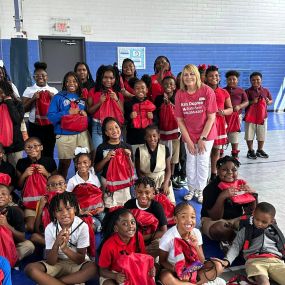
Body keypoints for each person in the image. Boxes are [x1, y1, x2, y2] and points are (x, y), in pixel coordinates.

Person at [24, 192, 97, 285]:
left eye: (68, 208)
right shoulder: (50, 228)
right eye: (59, 210)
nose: (64, 213)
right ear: (54, 213)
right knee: (30, 269)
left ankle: (53, 282)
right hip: (57, 263)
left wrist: (65, 248)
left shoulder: (82, 226)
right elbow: (50, 262)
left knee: (93, 268)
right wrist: (56, 244)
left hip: (76, 265)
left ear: (75, 209)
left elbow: (80, 260)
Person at [174, 64, 217, 203]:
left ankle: (201, 191)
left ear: (197, 75)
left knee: (202, 162)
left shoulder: (207, 91)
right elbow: (180, 120)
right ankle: (191, 189)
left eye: (191, 74)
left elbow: (211, 117)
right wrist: (189, 141)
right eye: (185, 75)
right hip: (189, 134)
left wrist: (202, 138)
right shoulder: (180, 94)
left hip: (206, 134)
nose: (188, 77)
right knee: (191, 162)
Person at [159, 202, 225, 285]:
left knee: (218, 266)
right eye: (183, 217)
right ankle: (202, 282)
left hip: (193, 268)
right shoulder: (167, 238)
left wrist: (196, 246)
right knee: (166, 278)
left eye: (193, 217)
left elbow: (201, 261)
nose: (189, 221)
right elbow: (162, 261)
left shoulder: (196, 233)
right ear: (175, 219)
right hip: (174, 269)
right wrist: (177, 270)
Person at [221, 202, 285, 285]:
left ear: (271, 221)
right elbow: (236, 246)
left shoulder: (275, 232)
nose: (259, 223)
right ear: (253, 214)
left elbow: (282, 245)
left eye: (264, 222)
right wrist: (227, 260)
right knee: (263, 282)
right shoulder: (245, 231)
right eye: (257, 219)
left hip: (276, 261)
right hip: (255, 261)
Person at [47, 71, 92, 179]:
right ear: (65, 83)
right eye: (68, 81)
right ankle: (60, 191)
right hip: (64, 135)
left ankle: (81, 188)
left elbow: (88, 118)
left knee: (82, 163)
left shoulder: (82, 97)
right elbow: (51, 117)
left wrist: (86, 115)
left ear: (78, 82)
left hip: (82, 134)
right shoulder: (58, 97)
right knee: (64, 164)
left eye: (74, 81)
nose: (71, 83)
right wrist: (67, 113)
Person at [201, 156, 255, 242]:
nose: (230, 172)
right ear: (218, 170)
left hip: (235, 219)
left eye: (234, 170)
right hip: (213, 220)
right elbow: (215, 217)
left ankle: (235, 239)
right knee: (219, 229)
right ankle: (236, 242)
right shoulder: (210, 189)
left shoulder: (240, 185)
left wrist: (253, 196)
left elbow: (250, 212)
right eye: (224, 169)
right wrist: (222, 197)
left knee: (261, 222)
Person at [98, 207, 155, 285]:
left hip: (133, 270)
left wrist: (151, 268)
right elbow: (102, 271)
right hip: (114, 273)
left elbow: (144, 259)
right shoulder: (109, 245)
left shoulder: (138, 236)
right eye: (125, 224)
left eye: (132, 222)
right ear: (116, 228)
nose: (131, 226)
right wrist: (115, 276)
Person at [16, 137, 57, 231]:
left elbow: (56, 183)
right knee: (30, 227)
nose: (32, 149)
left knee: (50, 225)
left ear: (41, 147)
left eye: (35, 146)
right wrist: (24, 175)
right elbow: (19, 187)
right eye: (28, 147)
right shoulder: (21, 163)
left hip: (48, 202)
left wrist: (47, 173)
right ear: (24, 150)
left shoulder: (49, 161)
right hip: (29, 204)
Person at [94, 117, 133, 209]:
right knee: (110, 209)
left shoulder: (127, 146)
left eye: (116, 127)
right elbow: (96, 169)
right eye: (110, 129)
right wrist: (106, 158)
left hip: (124, 184)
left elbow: (132, 168)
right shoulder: (102, 147)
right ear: (106, 133)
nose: (114, 130)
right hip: (108, 184)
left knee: (125, 208)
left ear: (120, 128)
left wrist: (129, 157)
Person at [124, 176, 168, 256]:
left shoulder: (157, 207)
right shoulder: (129, 205)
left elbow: (164, 231)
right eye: (140, 192)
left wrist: (144, 238)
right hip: (131, 239)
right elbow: (123, 227)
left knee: (159, 245)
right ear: (135, 191)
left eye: (147, 192)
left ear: (153, 193)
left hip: (150, 240)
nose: (143, 196)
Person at [22, 62, 58, 158]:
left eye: (43, 75)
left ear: (47, 77)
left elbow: (59, 109)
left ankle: (48, 172)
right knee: (34, 151)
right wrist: (33, 99)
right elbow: (23, 109)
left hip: (50, 127)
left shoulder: (53, 90)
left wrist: (53, 98)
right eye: (37, 75)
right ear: (34, 77)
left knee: (49, 150)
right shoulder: (29, 90)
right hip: (35, 126)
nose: (40, 77)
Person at [205, 66, 233, 182]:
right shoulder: (202, 90)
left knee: (216, 150)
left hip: (219, 123)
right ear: (206, 78)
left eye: (216, 75)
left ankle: (213, 174)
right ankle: (203, 175)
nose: (214, 77)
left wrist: (223, 112)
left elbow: (230, 109)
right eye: (211, 75)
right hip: (206, 123)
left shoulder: (224, 92)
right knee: (205, 151)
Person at [135, 125, 175, 204]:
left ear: (158, 136)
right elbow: (138, 171)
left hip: (162, 179)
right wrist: (149, 186)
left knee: (170, 204)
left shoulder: (165, 149)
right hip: (146, 181)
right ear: (145, 137)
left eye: (154, 136)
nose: (152, 138)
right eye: (149, 136)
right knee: (149, 205)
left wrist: (166, 183)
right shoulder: (139, 150)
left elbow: (168, 170)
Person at [87, 65, 124, 150]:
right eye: (105, 77)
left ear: (115, 79)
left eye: (111, 78)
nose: (108, 80)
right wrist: (99, 102)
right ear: (100, 77)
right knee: (99, 154)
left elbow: (122, 112)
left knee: (117, 154)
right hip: (98, 126)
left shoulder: (118, 94)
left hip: (114, 126)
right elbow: (90, 111)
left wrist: (116, 99)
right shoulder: (93, 91)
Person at [67, 152, 104, 232]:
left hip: (97, 210)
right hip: (83, 213)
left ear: (90, 163)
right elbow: (68, 199)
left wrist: (102, 207)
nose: (82, 165)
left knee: (106, 221)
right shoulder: (72, 181)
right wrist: (80, 212)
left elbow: (99, 194)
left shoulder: (94, 178)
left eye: (85, 162)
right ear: (76, 165)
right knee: (97, 227)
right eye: (79, 163)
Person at [0, 184, 35, 262]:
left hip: (12, 245)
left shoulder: (16, 212)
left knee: (29, 246)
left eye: (3, 194)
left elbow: (22, 238)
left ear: (10, 199)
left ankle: (10, 260)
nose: (0, 196)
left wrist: (6, 225)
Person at [31, 174, 67, 246]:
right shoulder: (43, 201)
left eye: (60, 183)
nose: (57, 186)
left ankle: (59, 246)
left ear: (65, 186)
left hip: (67, 234)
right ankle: (57, 246)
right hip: (49, 236)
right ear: (47, 188)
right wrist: (41, 208)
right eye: (53, 185)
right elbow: (36, 229)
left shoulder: (71, 200)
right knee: (34, 237)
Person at [244, 72, 273, 159]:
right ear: (250, 81)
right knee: (249, 134)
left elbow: (271, 100)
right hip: (250, 117)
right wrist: (253, 102)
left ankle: (259, 150)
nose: (255, 81)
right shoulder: (247, 91)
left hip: (263, 117)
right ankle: (250, 151)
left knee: (262, 134)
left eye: (258, 80)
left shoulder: (266, 90)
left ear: (261, 80)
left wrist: (269, 102)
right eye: (253, 80)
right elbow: (244, 103)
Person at [125, 77, 157, 154]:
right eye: (137, 88)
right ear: (133, 91)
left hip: (148, 138)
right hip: (133, 138)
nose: (140, 90)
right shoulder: (128, 104)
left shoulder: (151, 103)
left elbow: (157, 120)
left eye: (142, 88)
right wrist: (130, 117)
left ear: (146, 90)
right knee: (135, 159)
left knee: (147, 160)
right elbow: (124, 119)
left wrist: (153, 117)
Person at [224, 70, 249, 158]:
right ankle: (220, 154)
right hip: (224, 117)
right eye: (229, 79)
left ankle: (235, 155)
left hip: (236, 118)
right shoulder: (223, 90)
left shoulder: (241, 91)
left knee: (234, 136)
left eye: (234, 79)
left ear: (237, 80)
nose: (231, 81)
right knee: (222, 135)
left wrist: (239, 106)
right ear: (226, 80)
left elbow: (246, 102)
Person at [0, 80, 24, 168]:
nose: (1, 95)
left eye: (2, 92)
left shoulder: (18, 104)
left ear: (8, 91)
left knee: (16, 170)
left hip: (15, 145)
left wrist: (9, 102)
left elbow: (17, 119)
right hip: (1, 146)